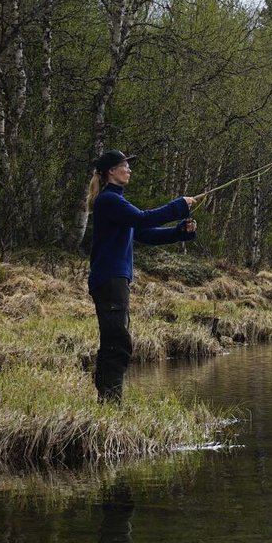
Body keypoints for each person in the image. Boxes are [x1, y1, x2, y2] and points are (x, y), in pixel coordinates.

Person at [87, 150, 202, 404]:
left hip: (114, 280)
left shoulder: (115, 202)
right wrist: (179, 206)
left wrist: (179, 232)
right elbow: (142, 218)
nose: (129, 170)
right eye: (125, 166)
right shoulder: (109, 201)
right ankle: (109, 403)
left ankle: (108, 403)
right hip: (110, 280)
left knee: (115, 340)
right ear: (111, 172)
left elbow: (145, 233)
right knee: (117, 342)